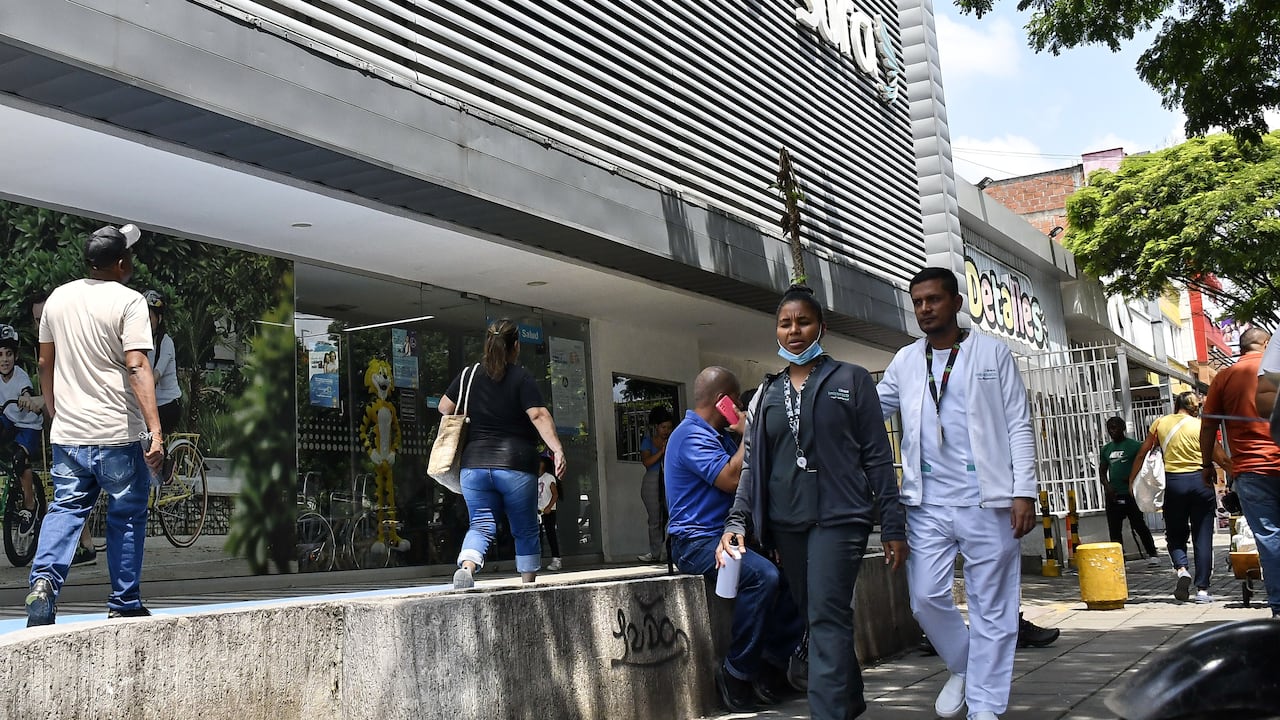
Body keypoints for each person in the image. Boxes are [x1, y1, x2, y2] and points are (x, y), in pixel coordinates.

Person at [720, 285, 907, 720]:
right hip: (789, 523)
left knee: (825, 615)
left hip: (841, 519)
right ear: (777, 332)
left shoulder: (852, 379)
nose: (794, 331)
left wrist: (894, 524)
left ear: (821, 326)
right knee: (820, 617)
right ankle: (851, 699)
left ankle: (828, 713)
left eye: (803, 321)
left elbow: (878, 456)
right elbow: (752, 469)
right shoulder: (766, 394)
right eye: (785, 323)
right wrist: (736, 523)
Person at [876, 267, 1037, 720]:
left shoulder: (992, 353)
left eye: (933, 300)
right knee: (925, 598)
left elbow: (1019, 425)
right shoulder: (907, 360)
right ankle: (965, 665)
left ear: (955, 303)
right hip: (926, 504)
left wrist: (1024, 491)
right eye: (918, 302)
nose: (925, 309)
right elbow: (869, 407)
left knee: (994, 608)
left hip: (990, 502)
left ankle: (985, 709)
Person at [26, 224, 165, 626]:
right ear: (121, 263)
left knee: (66, 509)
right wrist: (155, 432)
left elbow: (43, 362)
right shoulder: (130, 302)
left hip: (69, 434)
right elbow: (136, 365)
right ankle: (124, 603)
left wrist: (53, 408)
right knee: (126, 512)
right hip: (117, 434)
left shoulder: (57, 299)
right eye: (131, 257)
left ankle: (44, 585)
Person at [666, 366, 802, 713]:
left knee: (797, 574)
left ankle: (771, 666)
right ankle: (736, 672)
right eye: (736, 403)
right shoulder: (689, 435)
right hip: (695, 541)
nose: (740, 411)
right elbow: (729, 479)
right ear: (723, 402)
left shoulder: (721, 436)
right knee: (763, 577)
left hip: (730, 536)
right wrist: (750, 432)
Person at [439, 319, 565, 589]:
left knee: (481, 524)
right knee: (525, 527)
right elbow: (538, 415)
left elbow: (444, 407)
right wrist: (556, 449)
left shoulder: (468, 375)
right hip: (515, 465)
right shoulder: (521, 377)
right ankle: (528, 585)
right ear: (516, 346)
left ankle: (467, 568)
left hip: (474, 466)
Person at [1202, 328, 1280, 617]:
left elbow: (1208, 426)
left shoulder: (1224, 377)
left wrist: (1212, 465)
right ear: (1267, 344)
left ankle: (1279, 608)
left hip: (1252, 470)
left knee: (1270, 537)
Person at [27, 293, 97, 567]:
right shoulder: (46, 346)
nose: (40, 324)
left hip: (81, 427)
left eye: (43, 317)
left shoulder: (68, 345)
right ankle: (84, 545)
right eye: (36, 320)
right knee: (70, 491)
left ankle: (56, 560)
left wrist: (44, 402)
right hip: (63, 427)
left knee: (71, 492)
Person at [1129, 391, 1218, 603]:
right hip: (1201, 482)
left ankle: (1181, 569)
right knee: (1203, 535)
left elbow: (1142, 453)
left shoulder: (1160, 423)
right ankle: (1203, 590)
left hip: (1174, 484)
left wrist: (1132, 482)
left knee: (1175, 532)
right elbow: (1218, 453)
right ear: (1193, 407)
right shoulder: (1200, 425)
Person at [0, 324, 44, 537]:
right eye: (0, 355)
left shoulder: (20, 377)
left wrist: (26, 399)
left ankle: (29, 506)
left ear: (15, 356)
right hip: (8, 419)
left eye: (9, 354)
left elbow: (26, 391)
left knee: (19, 460)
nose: (4, 359)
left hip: (28, 425)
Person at [1099, 417, 1161, 565]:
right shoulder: (1106, 449)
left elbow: (1145, 465)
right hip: (1113, 495)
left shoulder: (1134, 446)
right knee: (1114, 528)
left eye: (1115, 427)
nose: (1112, 431)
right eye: (1110, 428)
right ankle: (1119, 557)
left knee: (1139, 525)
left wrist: (1133, 478)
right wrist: (1108, 487)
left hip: (1131, 493)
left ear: (1122, 428)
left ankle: (1152, 554)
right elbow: (1102, 471)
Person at [143, 290, 183, 440]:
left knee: (152, 443)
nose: (145, 323)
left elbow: (156, 375)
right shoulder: (138, 343)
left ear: (159, 319)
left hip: (167, 405)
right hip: (148, 405)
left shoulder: (166, 343)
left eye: (149, 318)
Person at [637, 406, 674, 562]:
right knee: (655, 519)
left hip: (669, 480)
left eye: (669, 427)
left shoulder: (673, 439)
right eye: (663, 427)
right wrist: (661, 452)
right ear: (656, 427)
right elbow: (646, 462)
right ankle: (655, 553)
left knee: (671, 516)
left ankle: (669, 551)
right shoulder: (648, 440)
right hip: (652, 480)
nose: (666, 431)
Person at [536, 452, 562, 571]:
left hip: (548, 511)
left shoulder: (549, 477)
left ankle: (556, 559)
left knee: (551, 534)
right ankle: (536, 560)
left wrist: (548, 507)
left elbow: (555, 494)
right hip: (537, 511)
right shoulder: (534, 477)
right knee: (537, 536)